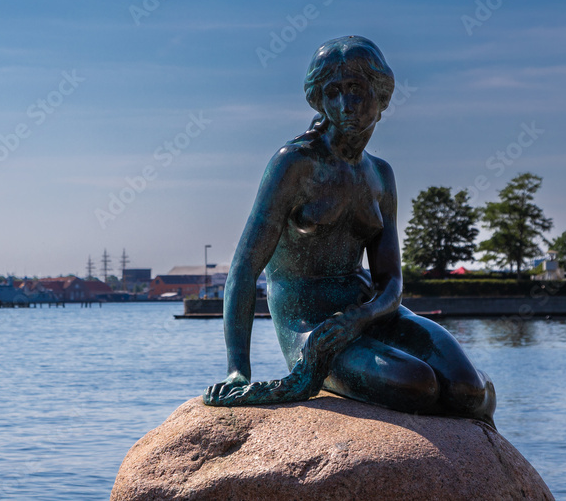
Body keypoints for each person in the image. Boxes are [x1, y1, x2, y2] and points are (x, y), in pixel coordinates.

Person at [204, 36, 495, 425]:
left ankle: (476, 404)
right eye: (333, 92)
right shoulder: (295, 164)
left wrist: (362, 317)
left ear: (381, 95)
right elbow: (243, 269)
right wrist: (238, 370)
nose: (346, 105)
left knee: (467, 389)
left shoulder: (381, 175)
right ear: (320, 100)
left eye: (356, 89)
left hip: (370, 315)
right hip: (313, 328)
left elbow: (391, 281)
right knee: (417, 385)